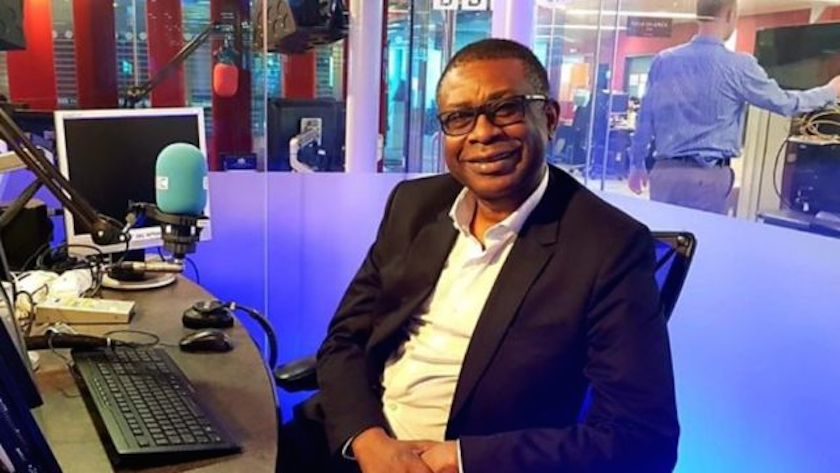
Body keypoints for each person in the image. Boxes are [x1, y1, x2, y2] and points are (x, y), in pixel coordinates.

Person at [281, 38, 678, 473]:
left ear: (548, 119)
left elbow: (642, 439)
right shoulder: (414, 205)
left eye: (506, 109)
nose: (483, 133)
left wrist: (459, 459)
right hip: (355, 446)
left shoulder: (608, 246)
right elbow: (345, 339)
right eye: (459, 117)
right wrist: (367, 440)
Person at [628, 0, 840, 214]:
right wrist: (830, 90)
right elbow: (786, 104)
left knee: (664, 234)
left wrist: (636, 164)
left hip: (664, 174)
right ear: (730, 15)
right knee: (703, 235)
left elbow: (645, 118)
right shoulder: (738, 66)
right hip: (707, 179)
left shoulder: (663, 61)